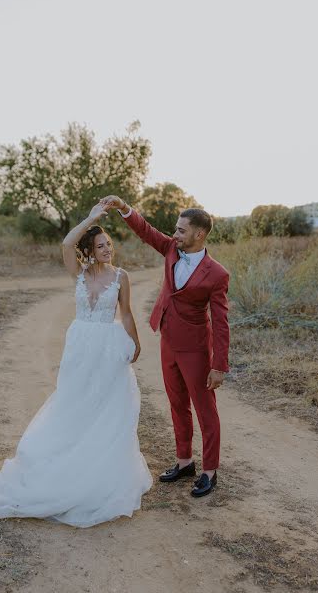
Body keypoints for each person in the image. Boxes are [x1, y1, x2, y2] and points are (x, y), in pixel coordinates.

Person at [0, 201, 152, 527]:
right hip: (79, 347)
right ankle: (66, 461)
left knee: (106, 405)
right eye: (100, 245)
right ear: (89, 249)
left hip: (107, 345)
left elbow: (126, 313)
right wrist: (90, 219)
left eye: (109, 245)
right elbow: (65, 244)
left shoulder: (121, 277)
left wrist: (136, 342)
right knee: (73, 402)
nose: (107, 249)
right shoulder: (79, 273)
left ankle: (98, 468)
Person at [101, 195, 229, 497]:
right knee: (176, 403)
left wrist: (219, 365)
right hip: (168, 340)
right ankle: (185, 461)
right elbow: (146, 231)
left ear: (199, 234)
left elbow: (221, 322)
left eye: (182, 230)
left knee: (205, 410)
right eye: (175, 229)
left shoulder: (217, 274)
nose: (175, 235)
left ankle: (210, 470)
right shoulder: (171, 249)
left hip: (196, 348)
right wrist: (123, 208)